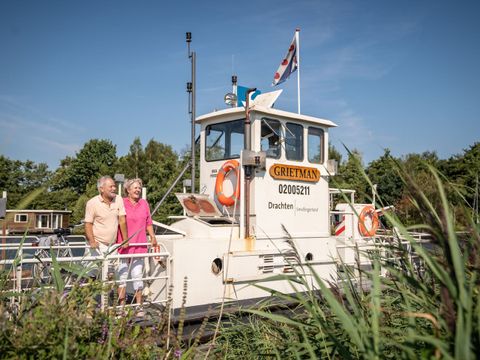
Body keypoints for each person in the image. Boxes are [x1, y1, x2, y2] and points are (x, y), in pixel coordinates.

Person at [117, 178, 157, 316]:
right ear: (128, 190)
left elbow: (149, 222)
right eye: (135, 187)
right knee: (122, 276)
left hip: (139, 244)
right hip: (124, 245)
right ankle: (121, 307)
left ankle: (139, 306)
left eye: (139, 188)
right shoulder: (121, 202)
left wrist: (152, 237)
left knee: (137, 276)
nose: (138, 190)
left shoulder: (144, 203)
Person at [84, 176, 128, 277]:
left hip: (112, 245)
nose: (114, 188)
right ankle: (88, 292)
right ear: (101, 189)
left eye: (114, 186)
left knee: (110, 274)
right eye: (111, 186)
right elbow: (88, 224)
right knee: (92, 274)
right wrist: (92, 241)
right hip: (97, 245)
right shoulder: (92, 203)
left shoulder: (118, 199)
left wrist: (125, 240)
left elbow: (122, 220)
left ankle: (108, 293)